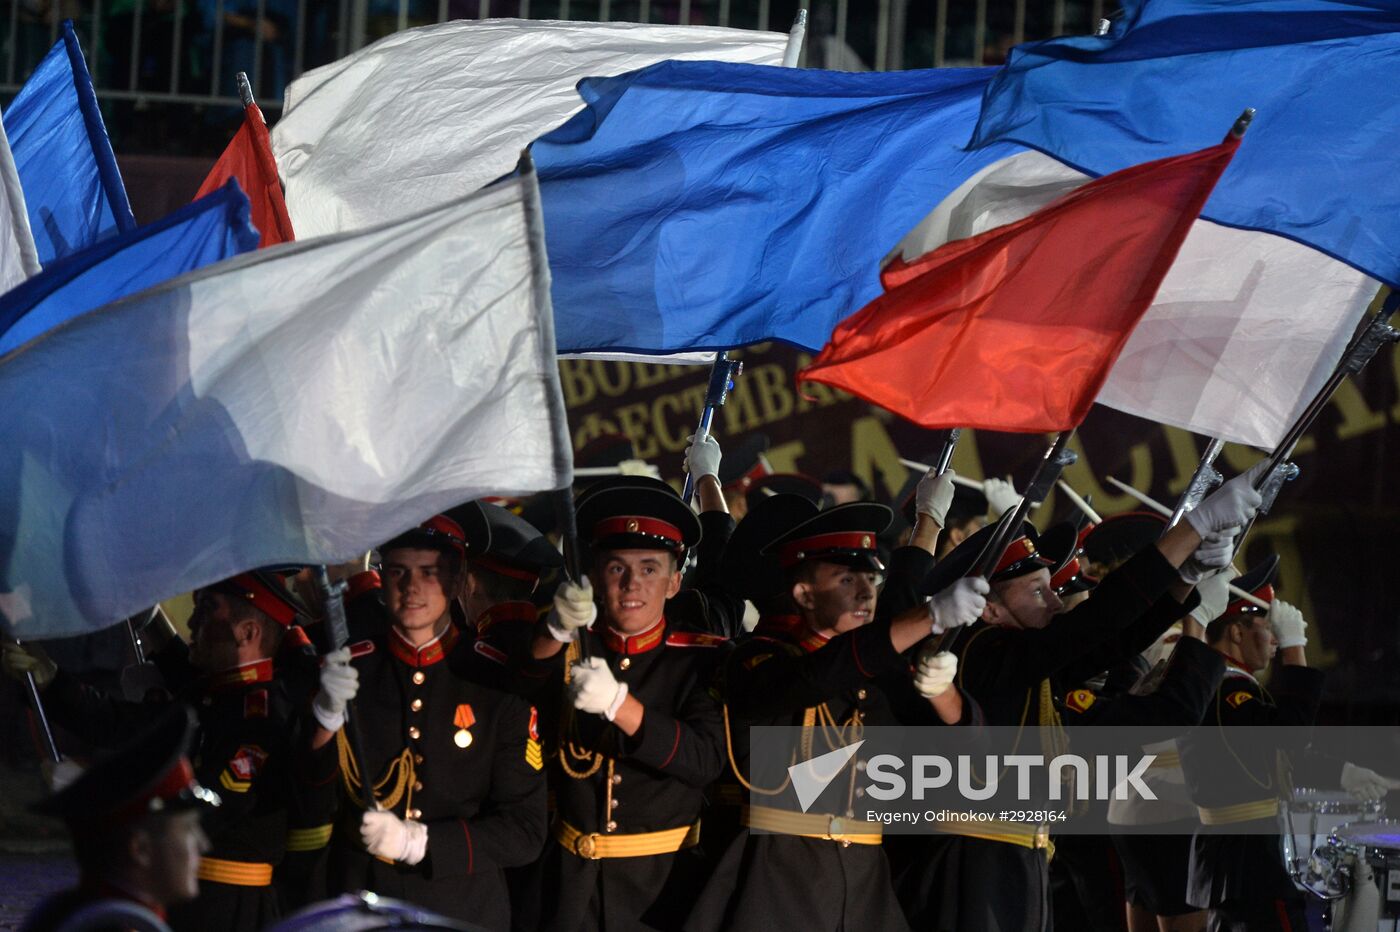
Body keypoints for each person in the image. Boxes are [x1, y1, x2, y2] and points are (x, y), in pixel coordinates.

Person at [891, 464, 1265, 932]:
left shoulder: (1018, 656)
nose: (1053, 601)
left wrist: (1184, 581)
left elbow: (1108, 641)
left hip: (1012, 856)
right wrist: (1194, 528)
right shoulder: (981, 653)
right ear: (990, 608)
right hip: (968, 863)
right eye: (1036, 590)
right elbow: (1094, 624)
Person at [688, 468, 988, 932]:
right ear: (804, 595)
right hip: (775, 888)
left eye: (871, 577)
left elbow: (964, 758)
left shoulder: (875, 668)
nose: (866, 591)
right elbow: (815, 675)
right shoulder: (759, 658)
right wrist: (927, 616)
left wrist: (941, 693)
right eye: (847, 580)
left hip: (865, 891)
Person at [3, 571, 322, 932]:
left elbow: (205, 810)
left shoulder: (261, 719)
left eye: (205, 611)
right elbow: (121, 723)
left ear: (247, 633)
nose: (190, 622)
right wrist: (50, 677)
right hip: (188, 893)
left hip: (231, 909)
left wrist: (95, 788)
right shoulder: (213, 696)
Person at [521, 463, 731, 931]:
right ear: (593, 576)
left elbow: (704, 760)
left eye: (649, 569)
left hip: (664, 892)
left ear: (674, 583)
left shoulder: (702, 658)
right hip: (568, 891)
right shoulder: (568, 645)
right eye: (617, 568)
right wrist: (554, 631)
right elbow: (517, 688)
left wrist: (621, 706)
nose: (632, 584)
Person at [312, 514, 548, 930]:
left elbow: (525, 831)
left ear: (458, 583)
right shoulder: (351, 671)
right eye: (398, 571)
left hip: (460, 907)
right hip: (361, 903)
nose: (411, 587)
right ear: (381, 580)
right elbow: (306, 799)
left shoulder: (494, 682)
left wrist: (421, 842)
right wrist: (324, 718)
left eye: (430, 573)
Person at [1179, 558, 1400, 932]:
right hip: (1248, 863)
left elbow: (1267, 752)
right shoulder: (1229, 691)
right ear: (1236, 633)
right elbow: (1289, 735)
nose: (1276, 640)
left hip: (1233, 860)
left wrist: (1345, 772)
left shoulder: (1219, 685)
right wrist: (1296, 651)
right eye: (1269, 630)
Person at [23, 707, 215, 932]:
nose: (204, 845)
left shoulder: (74, 913)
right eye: (188, 829)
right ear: (140, 849)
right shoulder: (119, 924)